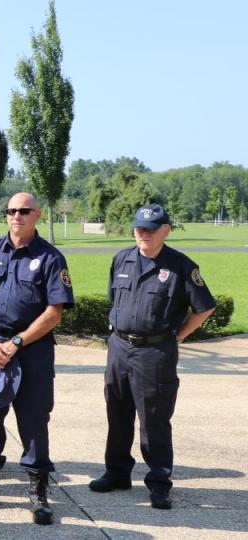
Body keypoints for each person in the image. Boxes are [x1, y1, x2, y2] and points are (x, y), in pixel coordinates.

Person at [89, 203, 215, 510]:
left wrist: (177, 337)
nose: (144, 234)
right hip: (119, 348)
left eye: (151, 229)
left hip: (155, 352)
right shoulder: (121, 259)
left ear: (166, 231)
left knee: (154, 420)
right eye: (139, 229)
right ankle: (117, 473)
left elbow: (204, 307)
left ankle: (159, 483)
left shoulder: (182, 266)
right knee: (117, 414)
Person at [0, 192, 74, 526]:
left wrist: (17, 342)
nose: (16, 216)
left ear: (37, 214)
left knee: (34, 420)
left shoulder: (50, 258)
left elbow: (55, 312)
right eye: (10, 210)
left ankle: (38, 493)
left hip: (32, 351)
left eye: (23, 210)